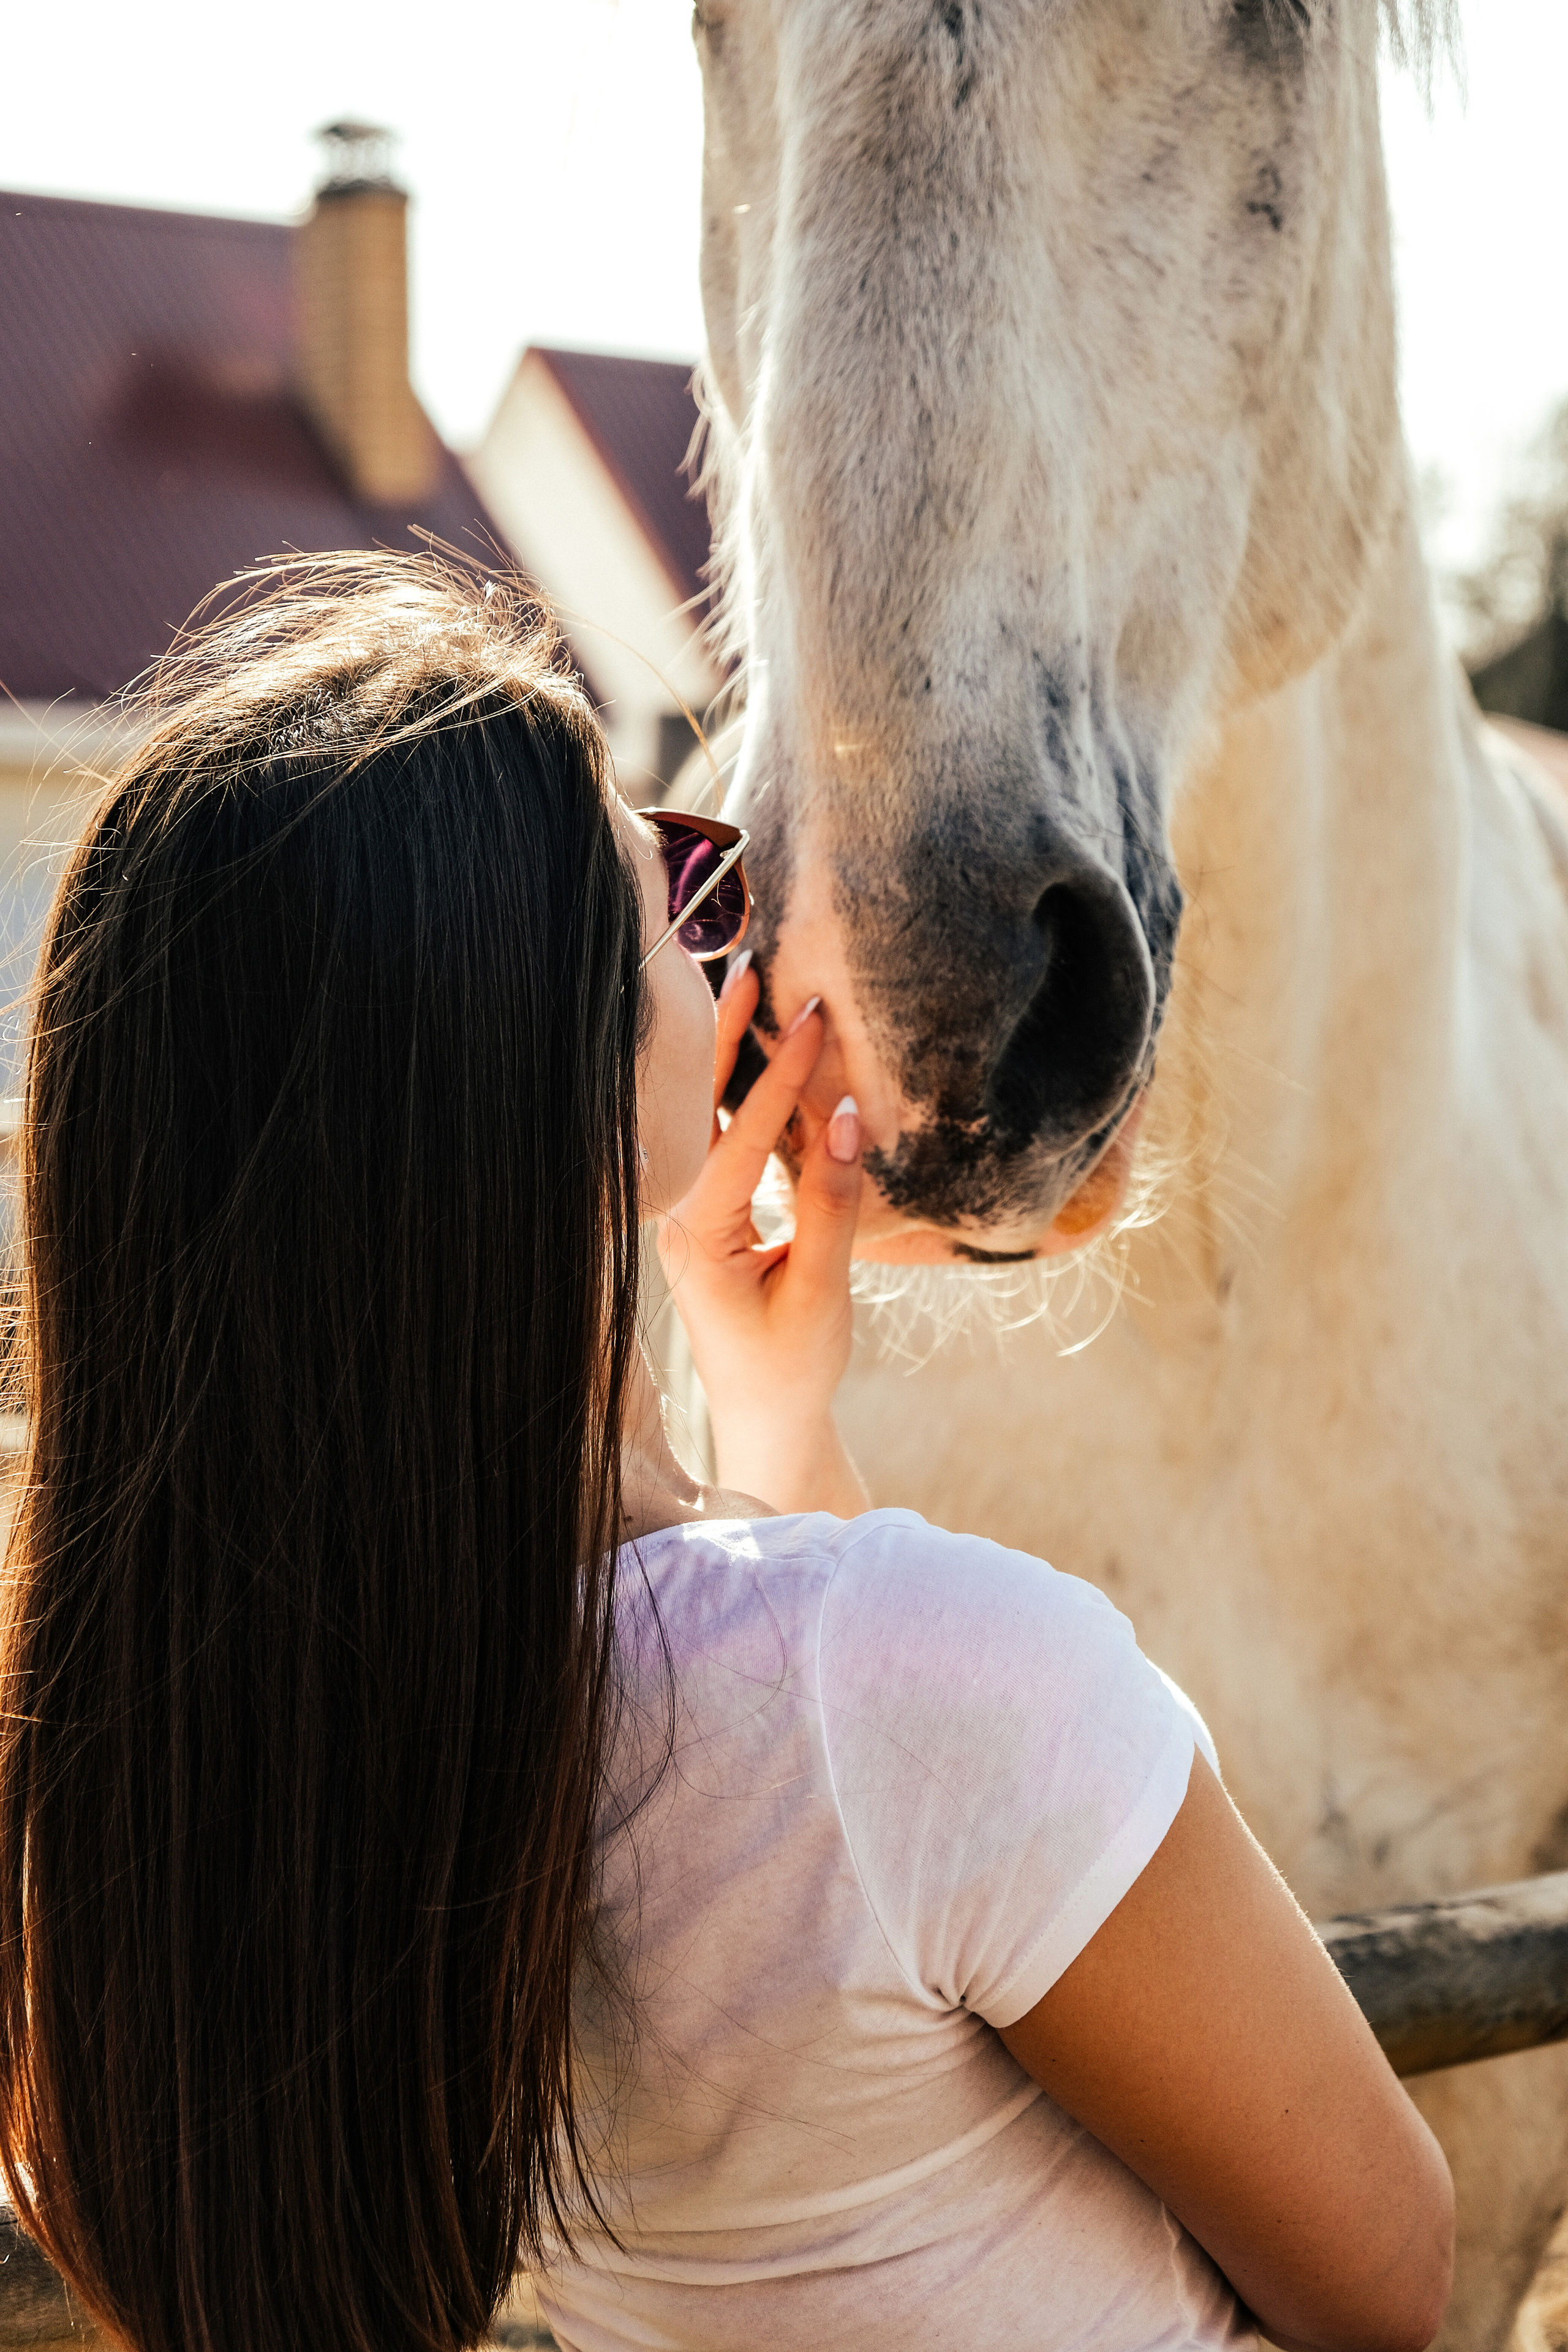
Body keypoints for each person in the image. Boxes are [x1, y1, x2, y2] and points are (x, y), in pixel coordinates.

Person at [0, 556, 1452, 2352]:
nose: (732, 940)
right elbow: (1392, 2278)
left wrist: (769, 1429)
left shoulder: (212, 1756)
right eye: (680, 891)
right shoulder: (911, 1675)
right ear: (565, 1076)